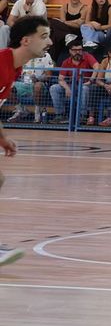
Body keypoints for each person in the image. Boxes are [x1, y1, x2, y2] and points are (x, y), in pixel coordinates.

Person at [0, 17, 54, 266]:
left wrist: (2, 139)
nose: (50, 42)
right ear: (25, 40)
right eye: (44, 36)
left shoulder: (15, 68)